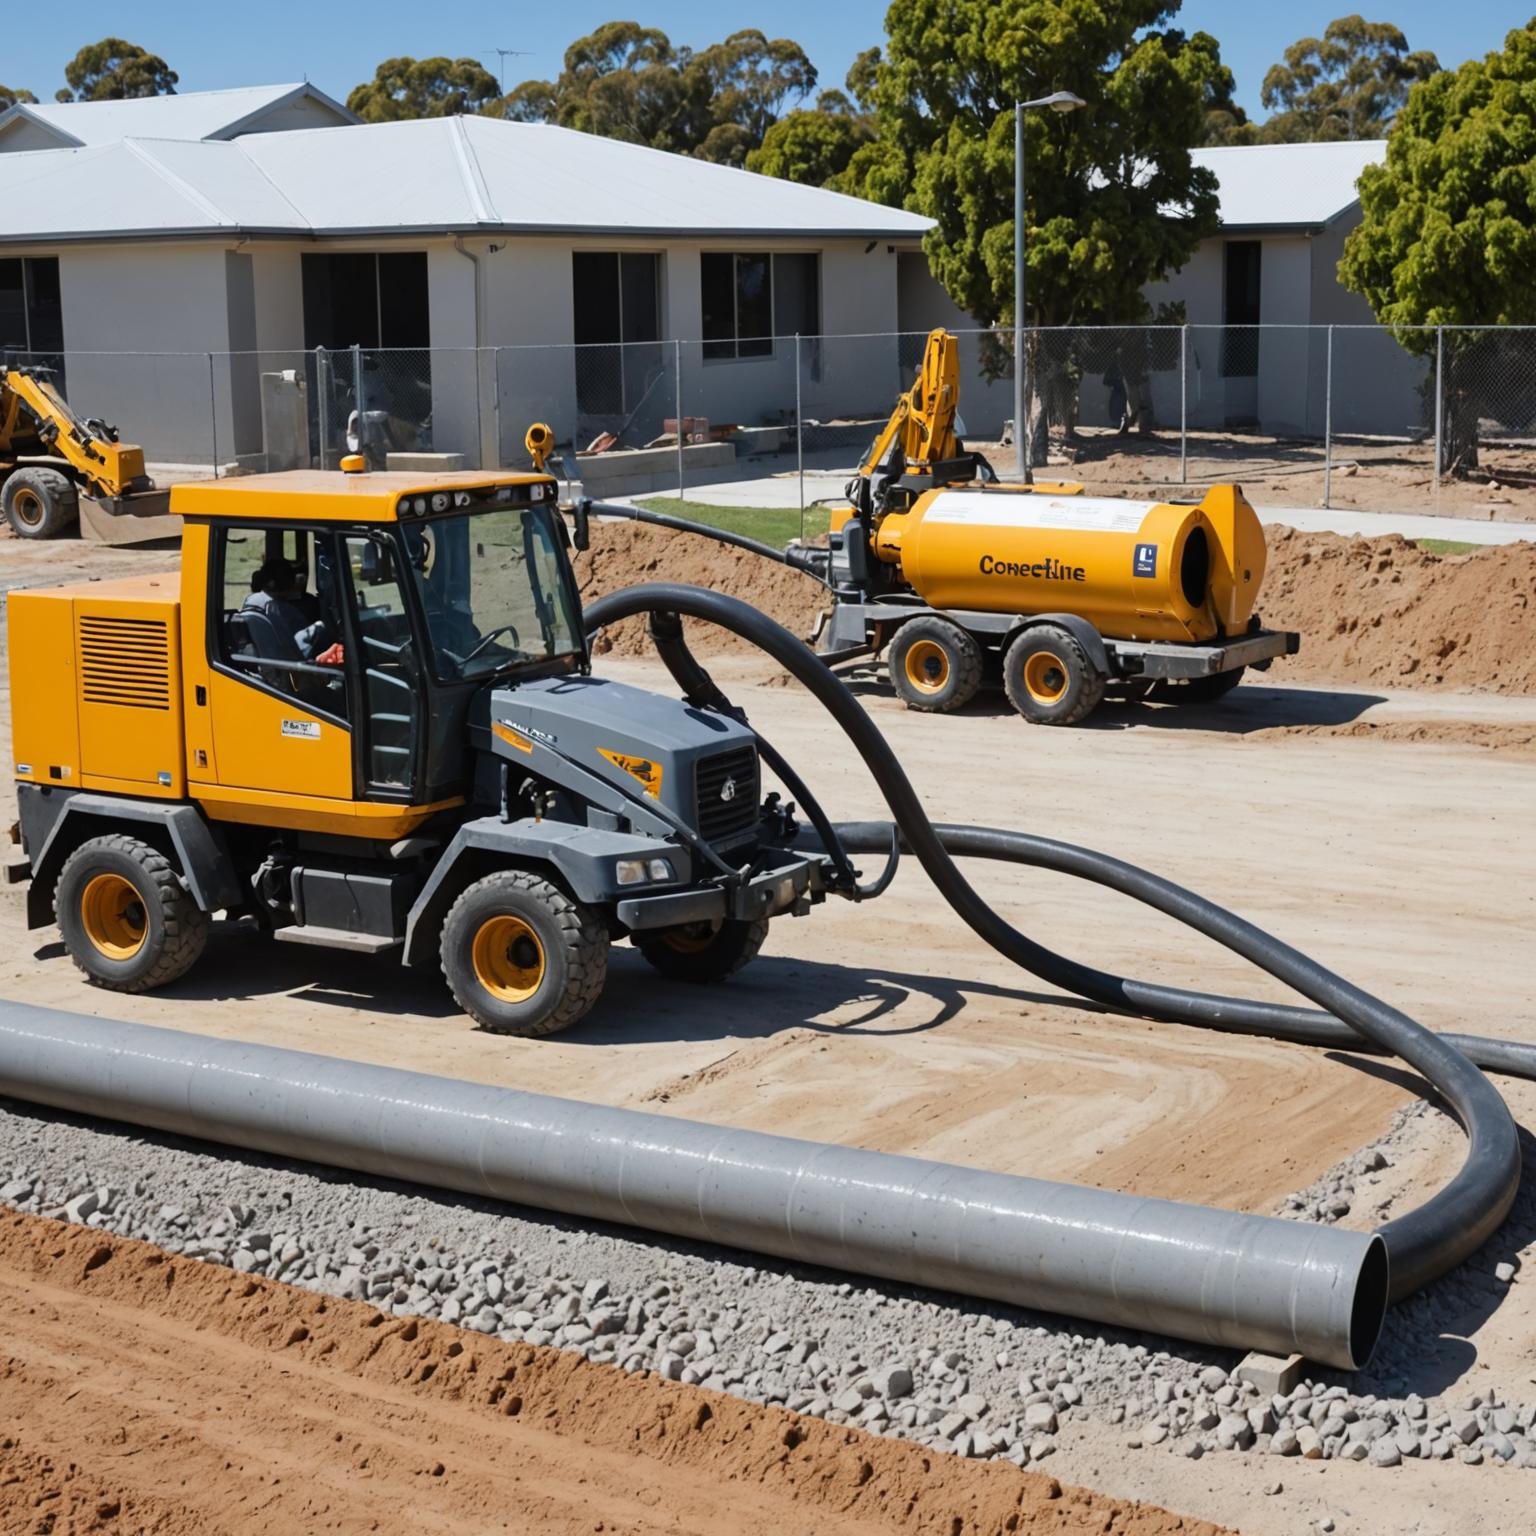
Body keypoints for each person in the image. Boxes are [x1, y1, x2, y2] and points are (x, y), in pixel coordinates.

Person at [242, 558, 345, 665]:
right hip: (291, 666)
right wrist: (320, 627)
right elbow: (297, 648)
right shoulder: (277, 608)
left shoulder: (251, 600)